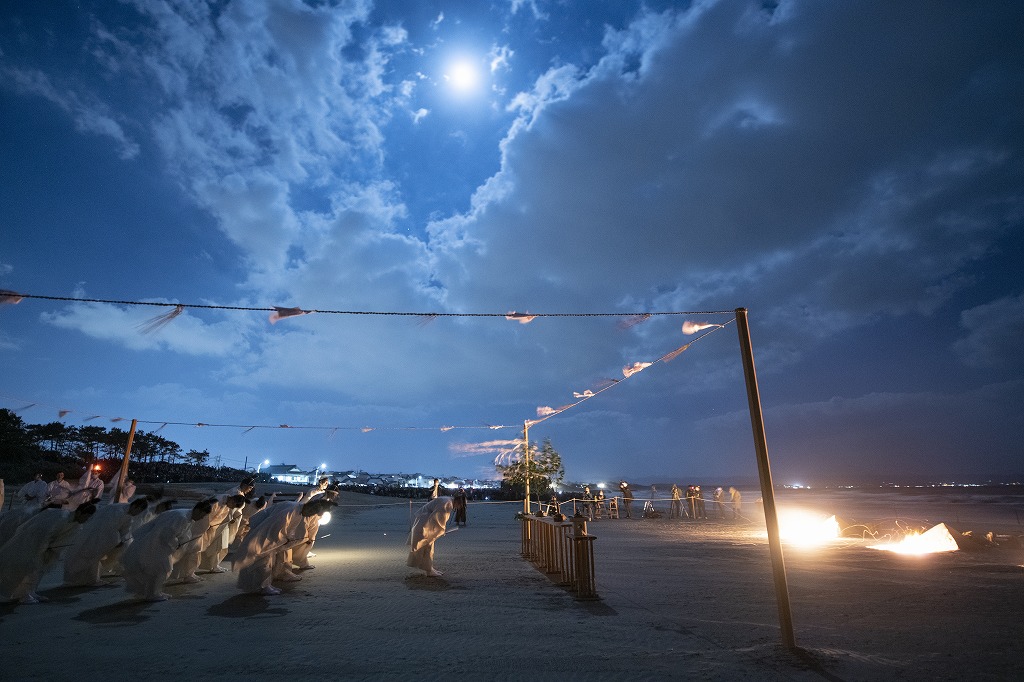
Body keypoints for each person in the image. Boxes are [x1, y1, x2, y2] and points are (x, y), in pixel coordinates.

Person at [233, 497, 335, 595]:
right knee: (262, 560)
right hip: (264, 534)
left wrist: (287, 540)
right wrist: (284, 541)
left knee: (268, 560)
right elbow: (274, 530)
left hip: (269, 534)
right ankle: (261, 587)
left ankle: (265, 584)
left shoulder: (298, 509)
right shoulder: (289, 511)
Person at [0, 502, 97, 604]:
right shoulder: (61, 517)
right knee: (26, 571)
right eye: (86, 517)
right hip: (32, 545)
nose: (86, 520)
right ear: (80, 512)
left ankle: (30, 591)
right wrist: (42, 549)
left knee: (37, 573)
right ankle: (22, 595)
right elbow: (45, 533)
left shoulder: (75, 524)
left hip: (46, 550)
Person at [122, 499, 214, 602]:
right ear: (199, 510)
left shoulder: (185, 516)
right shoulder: (181, 517)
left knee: (157, 570)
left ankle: (151, 592)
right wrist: (177, 544)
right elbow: (168, 535)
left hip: (158, 545)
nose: (202, 518)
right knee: (162, 569)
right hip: (155, 545)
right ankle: (152, 594)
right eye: (202, 515)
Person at [63, 498, 149, 586]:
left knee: (94, 559)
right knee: (86, 556)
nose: (137, 514)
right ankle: (78, 579)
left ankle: (91, 579)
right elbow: (109, 528)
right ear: (134, 506)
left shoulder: (127, 515)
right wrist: (117, 541)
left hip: (103, 539)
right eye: (138, 511)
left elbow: (125, 530)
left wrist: (123, 540)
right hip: (94, 536)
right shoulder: (117, 510)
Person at [407, 496, 453, 577]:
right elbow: (439, 517)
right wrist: (441, 529)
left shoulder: (446, 500)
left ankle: (429, 568)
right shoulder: (447, 502)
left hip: (425, 521)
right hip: (425, 523)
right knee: (426, 546)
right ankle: (428, 570)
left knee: (428, 546)